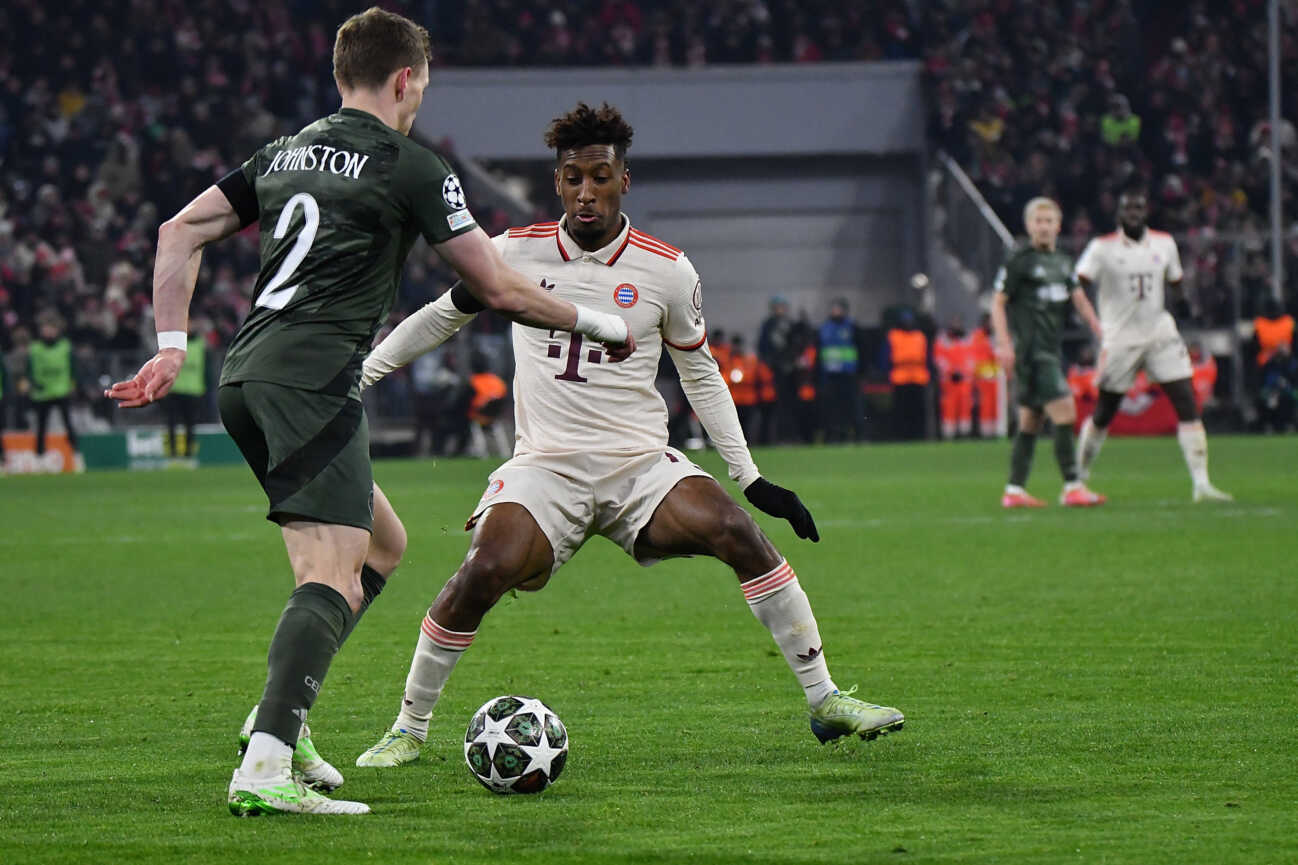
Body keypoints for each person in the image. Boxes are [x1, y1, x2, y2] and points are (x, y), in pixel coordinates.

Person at [105, 8, 633, 817]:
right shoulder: (412, 165)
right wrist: (593, 321)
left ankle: (278, 722)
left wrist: (172, 343)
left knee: (384, 543)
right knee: (328, 573)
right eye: (421, 84)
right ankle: (265, 767)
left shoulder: (283, 152)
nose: (420, 97)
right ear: (403, 80)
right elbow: (492, 287)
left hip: (246, 378)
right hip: (312, 384)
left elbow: (181, 229)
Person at [354, 102, 904, 770]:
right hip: (545, 467)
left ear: (624, 181)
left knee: (738, 530)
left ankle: (825, 700)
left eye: (601, 176)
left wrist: (750, 476)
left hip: (640, 465)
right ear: (557, 183)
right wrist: (362, 375)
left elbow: (700, 373)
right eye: (574, 177)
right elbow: (442, 317)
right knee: (485, 569)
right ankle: (410, 727)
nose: (587, 191)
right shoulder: (511, 253)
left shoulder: (666, 270)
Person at [1073, 185, 1233, 501]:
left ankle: (1201, 483)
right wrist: (1090, 319)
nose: (1134, 214)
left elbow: (1175, 283)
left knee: (1186, 401)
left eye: (1139, 208)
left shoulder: (1164, 243)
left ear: (1146, 212)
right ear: (1119, 214)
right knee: (1104, 411)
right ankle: (1078, 479)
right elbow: (1077, 282)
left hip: (1159, 333)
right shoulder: (1101, 248)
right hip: (1120, 338)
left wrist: (1184, 305)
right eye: (1128, 208)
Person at [991, 196, 1105, 508]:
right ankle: (1072, 485)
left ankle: (1014, 490)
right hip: (1033, 352)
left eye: (1048, 221)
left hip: (1049, 350)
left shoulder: (1064, 262)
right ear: (1029, 226)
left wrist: (1101, 332)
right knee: (1065, 409)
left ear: (1058, 225)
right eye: (1037, 221)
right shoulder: (1020, 261)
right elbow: (998, 303)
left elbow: (1079, 300)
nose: (1043, 227)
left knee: (1030, 421)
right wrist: (1004, 344)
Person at [26, 313, 80, 464]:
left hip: (61, 390)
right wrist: (33, 383)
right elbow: (28, 369)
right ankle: (39, 458)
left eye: (51, 328)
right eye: (46, 329)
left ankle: (76, 455)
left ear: (57, 330)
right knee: (41, 426)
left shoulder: (65, 346)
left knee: (68, 424)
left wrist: (73, 385)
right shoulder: (35, 348)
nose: (48, 332)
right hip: (42, 393)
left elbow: (73, 368)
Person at [818, 298, 864, 442]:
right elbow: (820, 352)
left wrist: (861, 371)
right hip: (831, 375)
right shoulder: (825, 328)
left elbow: (862, 348)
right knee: (832, 408)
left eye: (838, 308)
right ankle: (834, 435)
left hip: (848, 374)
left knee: (852, 406)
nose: (835, 311)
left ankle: (857, 435)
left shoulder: (852, 326)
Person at [885, 308, 930, 440]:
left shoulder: (920, 336)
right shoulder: (893, 336)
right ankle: (901, 436)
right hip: (900, 377)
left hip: (918, 377)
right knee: (901, 410)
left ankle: (918, 435)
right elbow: (886, 357)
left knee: (918, 410)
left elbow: (927, 357)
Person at [164, 324, 207, 458]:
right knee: (174, 423)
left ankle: (187, 452)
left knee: (188, 424)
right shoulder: (200, 344)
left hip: (190, 390)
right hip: (177, 389)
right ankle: (173, 452)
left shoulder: (199, 344)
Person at [934, 317, 974, 439]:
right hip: (949, 381)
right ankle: (949, 434)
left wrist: (963, 372)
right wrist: (951, 372)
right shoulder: (942, 340)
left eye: (958, 324)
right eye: (954, 324)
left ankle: (965, 433)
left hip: (964, 380)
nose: (956, 326)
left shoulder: (967, 340)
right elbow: (939, 359)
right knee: (948, 407)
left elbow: (972, 359)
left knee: (965, 406)